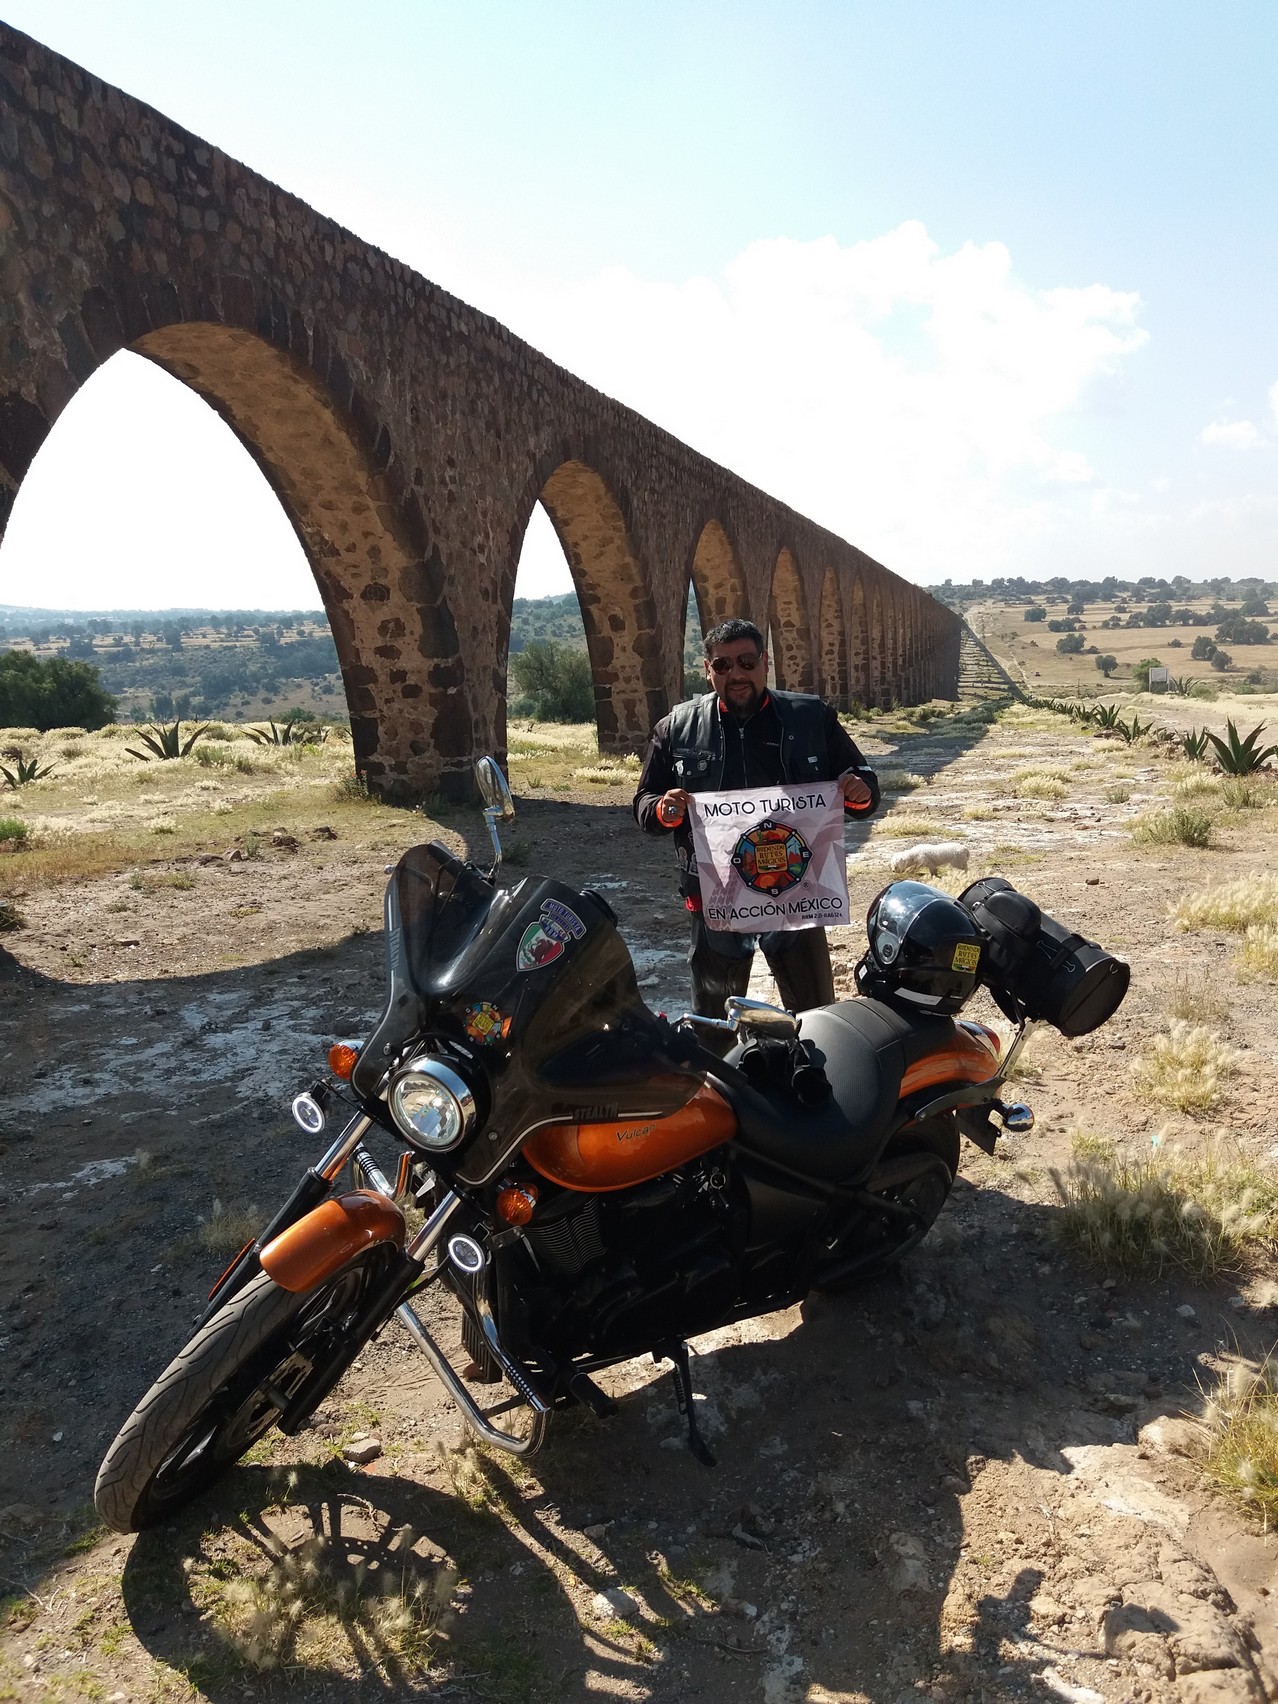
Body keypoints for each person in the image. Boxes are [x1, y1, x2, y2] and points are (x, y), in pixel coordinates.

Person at [633, 617, 879, 1019]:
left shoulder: (812, 718)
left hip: (799, 889)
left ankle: (813, 1078)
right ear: (708, 669)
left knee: (815, 1015)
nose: (737, 674)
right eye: (723, 665)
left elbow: (864, 785)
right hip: (717, 895)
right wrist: (663, 810)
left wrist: (859, 792)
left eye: (746, 661)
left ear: (765, 661)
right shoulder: (676, 728)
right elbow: (644, 802)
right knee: (714, 1021)